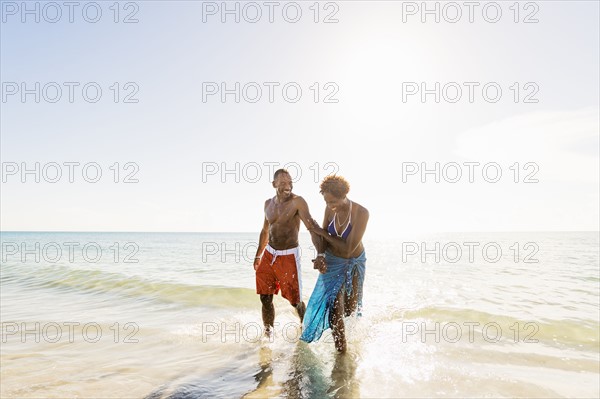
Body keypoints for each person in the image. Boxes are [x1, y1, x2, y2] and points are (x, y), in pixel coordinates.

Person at [301, 175, 369, 353]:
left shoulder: (361, 213)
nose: (330, 205)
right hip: (332, 261)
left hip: (354, 261)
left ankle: (355, 349)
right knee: (334, 309)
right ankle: (341, 353)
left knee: (349, 310)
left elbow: (348, 249)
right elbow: (323, 235)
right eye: (326, 200)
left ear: (344, 195)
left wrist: (321, 233)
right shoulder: (329, 208)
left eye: (333, 201)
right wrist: (321, 255)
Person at [253, 169, 320, 337]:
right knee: (265, 297)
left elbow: (311, 227)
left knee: (295, 301)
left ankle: (305, 329)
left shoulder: (298, 202)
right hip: (269, 254)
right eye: (282, 183)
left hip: (288, 255)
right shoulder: (267, 203)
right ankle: (268, 334)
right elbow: (265, 230)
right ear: (274, 184)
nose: (287, 186)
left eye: (289, 182)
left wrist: (321, 253)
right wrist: (258, 254)